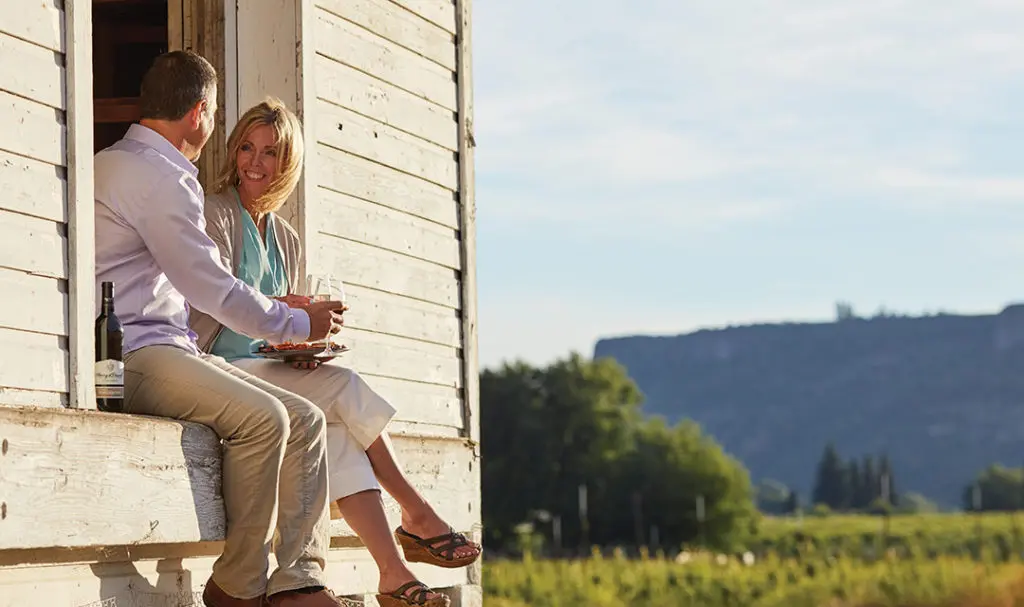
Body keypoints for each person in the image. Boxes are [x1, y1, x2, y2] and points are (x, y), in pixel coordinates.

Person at [187, 98, 481, 607]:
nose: (255, 163)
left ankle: (390, 570)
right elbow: (212, 303)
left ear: (288, 163)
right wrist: (285, 309)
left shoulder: (287, 238)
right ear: (233, 152)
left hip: (270, 372)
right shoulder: (213, 215)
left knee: (338, 433)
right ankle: (416, 511)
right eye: (246, 149)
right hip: (220, 368)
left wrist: (302, 347)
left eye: (271, 153)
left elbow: (280, 330)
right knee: (344, 386)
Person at [94, 51, 350, 607]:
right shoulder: (157, 177)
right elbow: (209, 287)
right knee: (267, 420)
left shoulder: (118, 162)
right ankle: (238, 587)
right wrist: (297, 321)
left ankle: (299, 582)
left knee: (305, 418)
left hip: (167, 346)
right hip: (134, 354)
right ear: (200, 112)